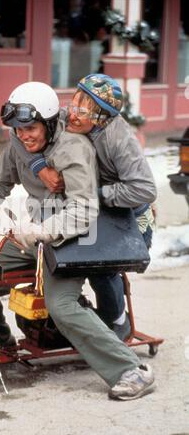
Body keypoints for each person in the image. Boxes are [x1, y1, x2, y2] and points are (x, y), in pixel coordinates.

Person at [0, 81, 154, 401]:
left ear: (50, 123)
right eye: (16, 128)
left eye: (29, 128)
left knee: (63, 304)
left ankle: (130, 369)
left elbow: (84, 209)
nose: (23, 135)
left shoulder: (79, 147)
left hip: (80, 232)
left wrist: (45, 231)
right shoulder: (22, 139)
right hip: (39, 231)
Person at [13, 74, 157, 342]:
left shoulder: (119, 140)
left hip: (128, 218)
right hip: (87, 208)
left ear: (102, 119)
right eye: (74, 102)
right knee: (63, 256)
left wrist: (97, 194)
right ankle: (75, 317)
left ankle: (117, 322)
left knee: (100, 266)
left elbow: (145, 189)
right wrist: (39, 167)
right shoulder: (68, 119)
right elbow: (19, 136)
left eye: (83, 111)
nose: (72, 114)